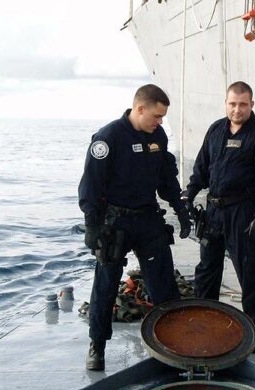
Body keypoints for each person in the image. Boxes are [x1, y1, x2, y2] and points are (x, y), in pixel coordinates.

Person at [79, 84, 192, 371]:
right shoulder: (108, 138)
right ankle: (97, 344)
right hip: (114, 222)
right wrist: (92, 226)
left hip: (147, 218)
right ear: (139, 109)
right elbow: (91, 185)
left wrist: (180, 209)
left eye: (163, 117)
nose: (160, 122)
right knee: (105, 285)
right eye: (156, 116)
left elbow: (166, 177)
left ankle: (173, 342)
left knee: (163, 283)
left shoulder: (158, 136)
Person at [183, 81, 255, 353]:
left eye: (242, 104)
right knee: (206, 271)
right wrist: (189, 194)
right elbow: (202, 168)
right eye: (232, 104)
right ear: (225, 103)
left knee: (251, 274)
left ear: (252, 104)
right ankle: (204, 323)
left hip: (243, 213)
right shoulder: (216, 130)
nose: (237, 109)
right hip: (214, 212)